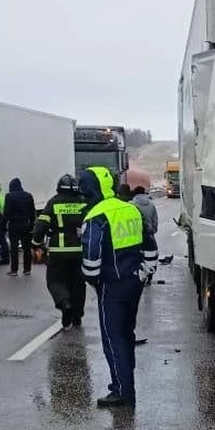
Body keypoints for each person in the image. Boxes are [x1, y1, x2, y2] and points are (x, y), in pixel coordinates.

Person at [79, 166, 157, 408]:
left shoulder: (97, 216)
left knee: (113, 339)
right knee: (126, 335)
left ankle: (121, 391)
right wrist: (143, 274)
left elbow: (91, 263)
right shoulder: (130, 209)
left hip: (111, 286)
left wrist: (95, 282)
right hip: (134, 282)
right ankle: (126, 386)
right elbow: (151, 248)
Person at [32, 174, 89, 328]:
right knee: (78, 284)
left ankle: (65, 304)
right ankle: (77, 316)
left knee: (55, 281)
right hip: (79, 250)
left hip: (58, 251)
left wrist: (36, 243)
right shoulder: (83, 203)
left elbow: (41, 225)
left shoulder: (54, 202)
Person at [3, 177, 36, 275]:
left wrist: (3, 225)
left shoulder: (9, 196)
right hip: (26, 224)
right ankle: (27, 269)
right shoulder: (28, 196)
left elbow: (6, 213)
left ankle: (14, 270)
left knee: (14, 248)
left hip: (14, 225)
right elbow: (32, 212)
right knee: (26, 248)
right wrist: (32, 225)